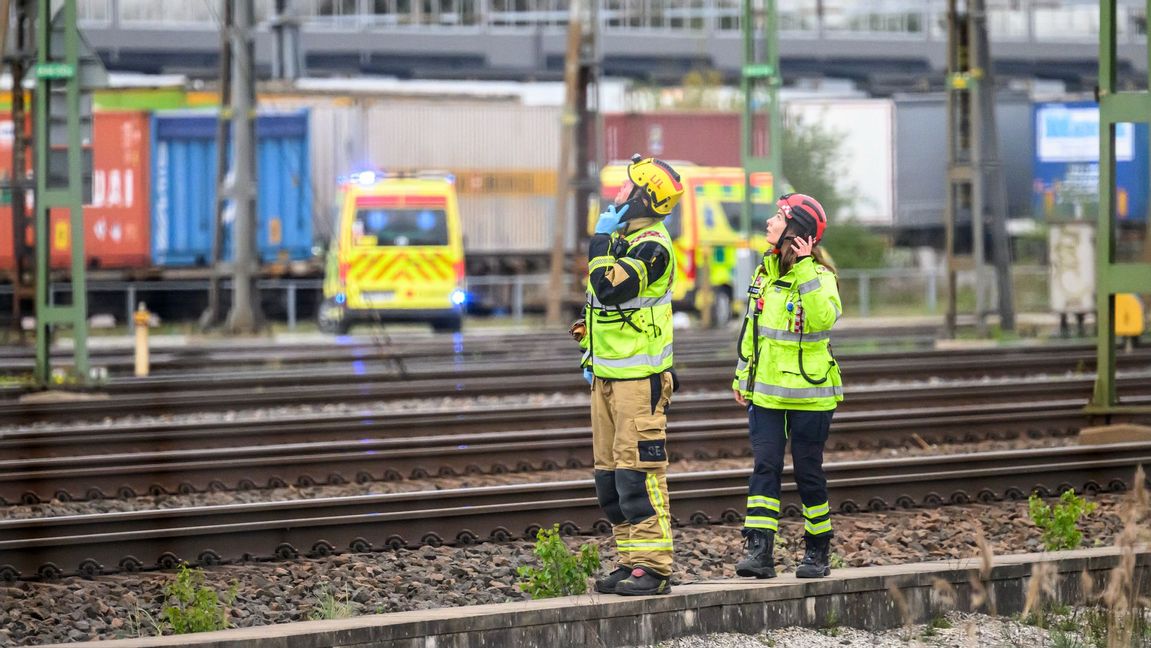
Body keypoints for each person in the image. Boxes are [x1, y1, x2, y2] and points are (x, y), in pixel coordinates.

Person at [569, 153, 683, 596]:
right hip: (608, 376)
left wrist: (598, 241)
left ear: (643, 198)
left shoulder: (652, 246)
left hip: (639, 380)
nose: (617, 193)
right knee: (611, 482)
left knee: (639, 476)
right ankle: (630, 560)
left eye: (626, 187)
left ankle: (653, 568)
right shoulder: (623, 241)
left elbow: (610, 288)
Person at [731, 192, 843, 580]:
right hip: (765, 394)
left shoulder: (821, 278)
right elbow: (752, 332)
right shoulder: (763, 275)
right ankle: (759, 551)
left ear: (795, 231)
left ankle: (817, 552)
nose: (768, 223)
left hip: (811, 397)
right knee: (765, 469)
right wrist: (741, 376)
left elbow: (822, 320)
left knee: (809, 473)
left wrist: (807, 267)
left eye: (777, 217)